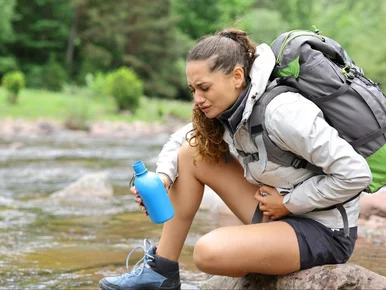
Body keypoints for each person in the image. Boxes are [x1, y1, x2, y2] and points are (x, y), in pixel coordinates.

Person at [99, 28, 372, 290]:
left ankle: (258, 250)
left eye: (204, 88)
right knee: (191, 154)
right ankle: (161, 272)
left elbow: (356, 174)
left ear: (237, 76)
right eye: (192, 90)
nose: (197, 99)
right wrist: (164, 178)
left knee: (207, 252)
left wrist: (289, 203)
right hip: (276, 214)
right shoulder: (231, 108)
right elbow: (180, 141)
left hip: (323, 231)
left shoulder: (283, 113)